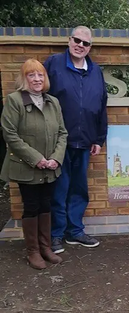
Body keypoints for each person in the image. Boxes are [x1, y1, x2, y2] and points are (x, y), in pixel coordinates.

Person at [44, 25, 108, 254]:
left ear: (91, 47)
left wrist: (99, 139)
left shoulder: (95, 71)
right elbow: (40, 97)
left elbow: (101, 106)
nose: (80, 46)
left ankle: (75, 231)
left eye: (86, 43)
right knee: (59, 189)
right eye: (77, 41)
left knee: (79, 189)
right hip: (58, 142)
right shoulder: (53, 64)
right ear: (69, 40)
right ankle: (56, 235)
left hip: (85, 142)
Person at [1, 59, 67, 269]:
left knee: (46, 204)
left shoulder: (53, 102)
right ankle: (33, 251)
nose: (37, 79)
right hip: (27, 167)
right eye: (31, 75)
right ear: (24, 78)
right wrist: (36, 159)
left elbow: (62, 133)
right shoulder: (14, 100)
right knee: (31, 206)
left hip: (50, 167)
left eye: (40, 75)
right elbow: (10, 134)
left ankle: (46, 247)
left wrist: (55, 158)